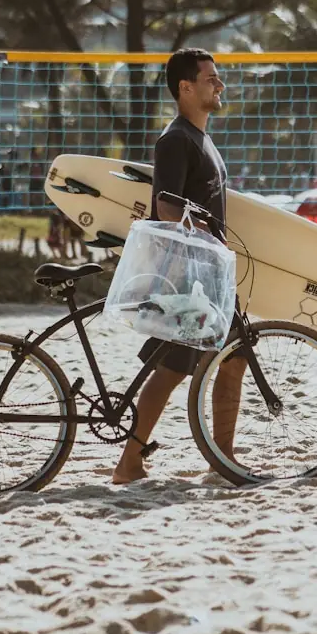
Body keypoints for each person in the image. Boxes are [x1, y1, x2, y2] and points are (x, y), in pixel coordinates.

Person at [113, 49, 246, 484]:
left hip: (210, 275)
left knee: (235, 357)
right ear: (185, 88)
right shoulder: (175, 140)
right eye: (211, 78)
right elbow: (165, 205)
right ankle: (129, 462)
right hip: (191, 276)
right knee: (172, 368)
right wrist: (205, 236)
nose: (219, 84)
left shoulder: (202, 138)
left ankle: (221, 460)